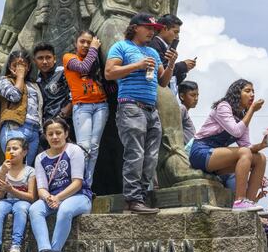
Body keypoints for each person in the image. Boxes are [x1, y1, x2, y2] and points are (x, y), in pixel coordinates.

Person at [105, 13, 177, 214]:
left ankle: (142, 197)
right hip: (131, 106)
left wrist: (171, 64)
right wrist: (137, 65)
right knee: (135, 154)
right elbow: (109, 73)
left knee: (151, 157)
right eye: (148, 27)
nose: (152, 31)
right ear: (135, 27)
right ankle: (132, 199)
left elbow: (163, 81)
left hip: (151, 109)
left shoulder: (153, 53)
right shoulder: (121, 47)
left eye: (154, 28)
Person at [189, 79, 267, 211]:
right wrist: (252, 110)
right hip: (201, 152)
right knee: (245, 153)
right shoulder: (224, 106)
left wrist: (264, 143)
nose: (252, 94)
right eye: (247, 91)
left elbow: (247, 146)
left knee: (260, 158)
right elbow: (235, 131)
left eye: (253, 91)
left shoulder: (243, 116)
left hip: (218, 158)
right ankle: (239, 201)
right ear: (237, 93)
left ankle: (250, 202)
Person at [29, 117, 92, 251]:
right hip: (52, 199)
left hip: (79, 197)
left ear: (66, 133)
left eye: (58, 133)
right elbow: (41, 188)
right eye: (50, 134)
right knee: (34, 209)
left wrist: (58, 198)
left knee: (65, 210)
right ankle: (44, 250)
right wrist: (49, 198)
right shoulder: (40, 158)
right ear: (45, 136)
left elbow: (77, 183)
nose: (55, 137)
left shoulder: (74, 150)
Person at [63, 30, 108, 187]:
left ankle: (87, 185)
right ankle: (77, 183)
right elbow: (83, 68)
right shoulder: (69, 58)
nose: (86, 45)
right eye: (82, 41)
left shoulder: (96, 61)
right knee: (84, 147)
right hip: (82, 106)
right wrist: (94, 48)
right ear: (75, 42)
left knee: (94, 148)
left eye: (89, 42)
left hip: (101, 105)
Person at [0, 137, 36, 252]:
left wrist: (12, 190)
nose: (12, 151)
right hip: (5, 201)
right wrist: (3, 172)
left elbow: (31, 197)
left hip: (22, 201)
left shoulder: (30, 171)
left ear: (24, 152)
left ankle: (16, 246)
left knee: (21, 209)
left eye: (15, 148)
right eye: (8, 149)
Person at [0, 50, 43, 166]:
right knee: (13, 165)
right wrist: (20, 76)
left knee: (27, 169)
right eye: (15, 65)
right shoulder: (4, 81)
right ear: (9, 66)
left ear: (29, 67)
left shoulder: (34, 85)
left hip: (34, 130)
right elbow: (14, 96)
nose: (20, 68)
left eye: (23, 66)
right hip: (14, 127)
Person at [149, 14, 196, 92]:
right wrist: (183, 66)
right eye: (175, 32)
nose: (177, 36)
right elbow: (162, 72)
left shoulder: (165, 47)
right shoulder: (155, 45)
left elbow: (171, 79)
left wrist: (184, 70)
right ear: (164, 28)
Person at [33, 42, 72, 125]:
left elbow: (75, 91)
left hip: (67, 122)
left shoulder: (63, 72)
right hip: (47, 125)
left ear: (54, 59)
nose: (44, 61)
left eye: (48, 57)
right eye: (40, 58)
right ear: (35, 61)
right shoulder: (37, 82)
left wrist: (67, 110)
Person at [178, 81, 199, 146]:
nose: (196, 99)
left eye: (197, 95)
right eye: (192, 95)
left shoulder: (185, 112)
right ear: (182, 96)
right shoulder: (181, 109)